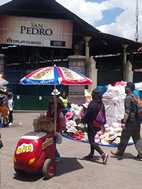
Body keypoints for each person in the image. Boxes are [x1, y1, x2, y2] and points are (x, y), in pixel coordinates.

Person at [111, 82, 142, 160]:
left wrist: (124, 122)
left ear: (129, 89)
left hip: (130, 122)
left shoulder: (128, 98)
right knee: (137, 138)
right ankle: (141, 154)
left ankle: (119, 152)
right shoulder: (136, 96)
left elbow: (127, 112)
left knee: (124, 137)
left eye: (126, 87)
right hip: (137, 121)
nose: (125, 88)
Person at [82, 89, 108, 164]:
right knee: (92, 138)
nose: (92, 95)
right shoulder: (101, 103)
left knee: (91, 141)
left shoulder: (93, 103)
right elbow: (103, 114)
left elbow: (89, 114)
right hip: (98, 124)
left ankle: (103, 154)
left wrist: (83, 120)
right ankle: (91, 154)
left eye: (92, 94)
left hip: (91, 124)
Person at [47, 89, 65, 161]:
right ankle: (54, 154)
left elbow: (61, 118)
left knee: (53, 141)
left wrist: (61, 128)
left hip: (56, 127)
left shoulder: (59, 106)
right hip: (50, 126)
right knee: (51, 141)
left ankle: (57, 155)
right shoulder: (51, 103)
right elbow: (48, 115)